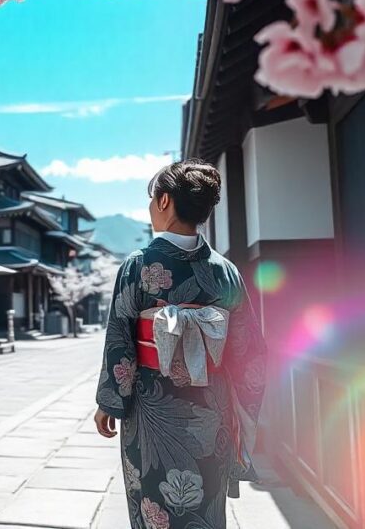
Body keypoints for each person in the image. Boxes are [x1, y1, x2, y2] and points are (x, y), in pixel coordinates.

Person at [94, 159, 267, 529]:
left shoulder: (137, 265)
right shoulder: (225, 270)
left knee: (152, 507)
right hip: (212, 410)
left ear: (164, 201)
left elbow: (121, 340)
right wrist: (244, 409)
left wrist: (110, 400)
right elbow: (248, 351)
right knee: (206, 509)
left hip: (150, 410)